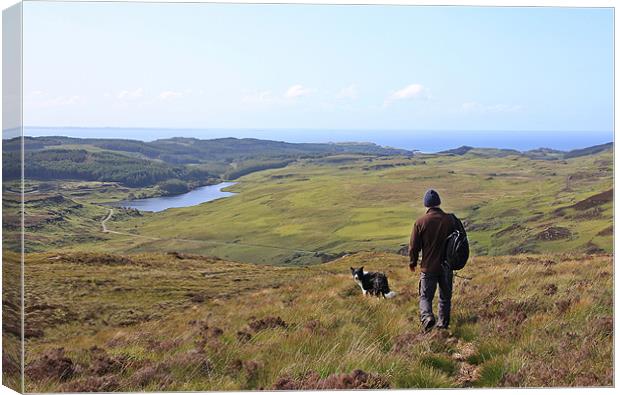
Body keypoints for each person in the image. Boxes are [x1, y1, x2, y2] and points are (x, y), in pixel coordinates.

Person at [408, 189, 455, 331]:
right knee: (445, 298)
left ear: (426, 204)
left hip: (428, 267)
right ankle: (443, 325)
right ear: (439, 203)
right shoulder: (450, 220)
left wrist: (412, 262)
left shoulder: (420, 222)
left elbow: (413, 247)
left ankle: (427, 317)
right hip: (447, 267)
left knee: (425, 297)